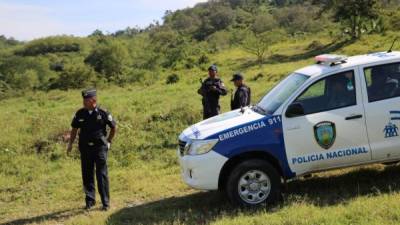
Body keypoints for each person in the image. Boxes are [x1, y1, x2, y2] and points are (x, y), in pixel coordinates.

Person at [67, 89, 117, 211]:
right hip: (85, 147)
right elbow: (74, 129)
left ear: (94, 100)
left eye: (86, 100)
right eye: (83, 100)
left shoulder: (103, 112)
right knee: (87, 174)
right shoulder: (80, 113)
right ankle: (90, 201)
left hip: (100, 147)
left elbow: (113, 127)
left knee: (101, 174)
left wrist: (109, 141)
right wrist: (70, 144)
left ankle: (105, 202)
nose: (84, 102)